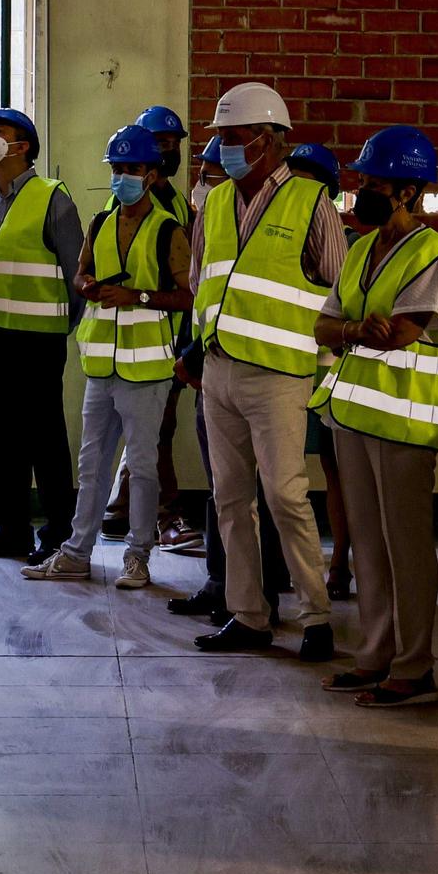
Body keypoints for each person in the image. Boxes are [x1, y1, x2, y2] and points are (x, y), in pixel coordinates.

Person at [310, 126, 438, 707]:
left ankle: (415, 666)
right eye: (359, 180)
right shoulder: (359, 249)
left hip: (405, 423)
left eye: (373, 182)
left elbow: (403, 334)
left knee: (406, 546)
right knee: (370, 546)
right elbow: (323, 327)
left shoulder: (437, 258)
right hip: (353, 417)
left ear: (408, 191)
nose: (362, 190)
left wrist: (359, 331)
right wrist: (358, 329)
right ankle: (373, 656)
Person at [188, 82, 348, 663]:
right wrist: (200, 349)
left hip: (279, 374)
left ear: (272, 141)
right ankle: (248, 614)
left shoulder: (311, 202)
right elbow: (198, 280)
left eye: (234, 139)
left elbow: (340, 290)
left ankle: (316, 617)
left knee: (285, 496)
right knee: (230, 499)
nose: (224, 150)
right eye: (221, 139)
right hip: (218, 370)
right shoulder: (215, 204)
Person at [24, 125, 194, 589]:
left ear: (152, 173)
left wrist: (137, 296)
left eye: (131, 169)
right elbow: (79, 275)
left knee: (141, 466)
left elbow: (188, 296)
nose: (122, 177)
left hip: (147, 370)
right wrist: (89, 287)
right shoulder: (100, 222)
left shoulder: (167, 230)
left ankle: (138, 556)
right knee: (91, 464)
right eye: (116, 169)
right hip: (100, 365)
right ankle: (77, 552)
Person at [165, 138, 289, 619]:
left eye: (211, 174)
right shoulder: (212, 216)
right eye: (203, 174)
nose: (203, 184)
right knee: (226, 490)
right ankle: (226, 585)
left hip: (265, 372)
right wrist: (196, 354)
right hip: (216, 369)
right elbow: (205, 295)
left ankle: (264, 591)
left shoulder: (274, 218)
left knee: (268, 492)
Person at [0, 107, 85, 564]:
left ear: (23, 146)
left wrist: (59, 326)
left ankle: (57, 532)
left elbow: (78, 276)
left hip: (38, 341)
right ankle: (10, 530)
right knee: (0, 440)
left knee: (45, 440)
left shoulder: (52, 197)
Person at [101, 104, 196, 547]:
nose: (169, 151)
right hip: (133, 339)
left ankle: (120, 509)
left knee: (152, 428)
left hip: (164, 331)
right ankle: (165, 515)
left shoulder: (174, 197)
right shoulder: (127, 202)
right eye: (161, 143)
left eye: (174, 143)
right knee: (154, 430)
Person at [287, 141, 357, 600]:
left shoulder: (348, 244)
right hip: (288, 369)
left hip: (332, 373)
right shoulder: (276, 240)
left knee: (338, 472)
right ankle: (288, 567)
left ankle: (339, 564)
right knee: (284, 475)